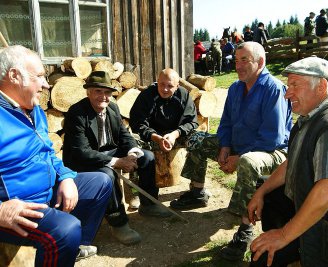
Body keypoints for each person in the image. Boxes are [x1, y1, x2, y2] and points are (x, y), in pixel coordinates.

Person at [248, 56, 328, 267]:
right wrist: (260, 193)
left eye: (295, 85)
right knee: (268, 188)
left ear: (322, 86)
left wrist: (283, 235)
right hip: (314, 216)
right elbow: (292, 163)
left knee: (262, 260)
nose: (287, 93)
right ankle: (296, 254)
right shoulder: (310, 117)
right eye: (288, 85)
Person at [170, 41, 292, 261]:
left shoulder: (274, 89)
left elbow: (271, 137)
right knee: (196, 138)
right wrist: (225, 146)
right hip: (238, 146)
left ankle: (245, 231)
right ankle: (197, 192)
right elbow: (225, 122)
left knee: (248, 162)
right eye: (236, 61)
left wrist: (237, 157)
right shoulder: (236, 87)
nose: (238, 66)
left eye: (245, 60)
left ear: (261, 62)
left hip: (272, 152)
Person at [0, 45, 113, 265]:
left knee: (101, 181)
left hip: (47, 192)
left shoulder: (34, 110)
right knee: (64, 230)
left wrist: (66, 177)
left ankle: (77, 245)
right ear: (14, 76)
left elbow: (49, 152)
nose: (46, 84)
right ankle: (66, 240)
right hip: (18, 209)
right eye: (40, 76)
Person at [63, 71, 171, 246]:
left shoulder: (113, 107)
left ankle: (149, 204)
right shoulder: (77, 113)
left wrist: (132, 153)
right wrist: (117, 162)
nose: (103, 97)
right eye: (98, 91)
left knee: (148, 157)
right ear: (88, 92)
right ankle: (118, 222)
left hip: (111, 152)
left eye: (107, 92)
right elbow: (81, 151)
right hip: (85, 159)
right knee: (108, 174)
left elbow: (124, 135)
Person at [129, 68, 198, 152]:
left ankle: (190, 165)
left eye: (170, 86)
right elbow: (137, 123)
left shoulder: (183, 95)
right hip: (151, 138)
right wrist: (157, 138)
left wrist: (175, 134)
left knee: (200, 139)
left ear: (177, 86)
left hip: (176, 137)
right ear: (157, 81)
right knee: (130, 141)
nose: (165, 89)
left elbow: (192, 122)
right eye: (162, 84)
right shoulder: (146, 95)